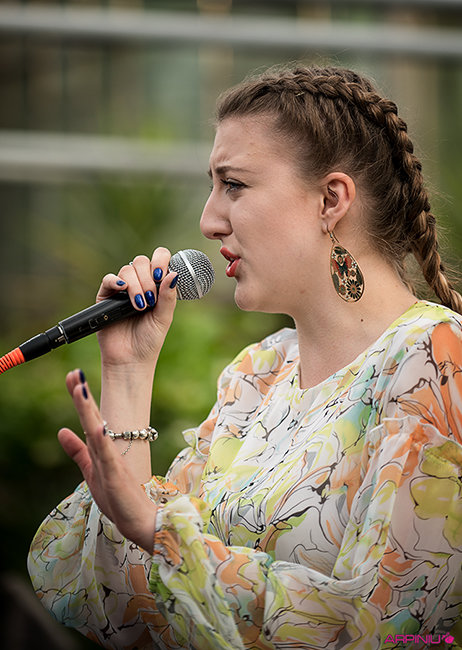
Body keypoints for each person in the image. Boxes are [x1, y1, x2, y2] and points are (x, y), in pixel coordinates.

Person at [28, 65, 462, 650]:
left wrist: (162, 531)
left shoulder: (436, 359)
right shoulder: (258, 374)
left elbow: (379, 629)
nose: (208, 221)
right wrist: (129, 374)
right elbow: (121, 613)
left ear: (331, 199)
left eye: (233, 185)